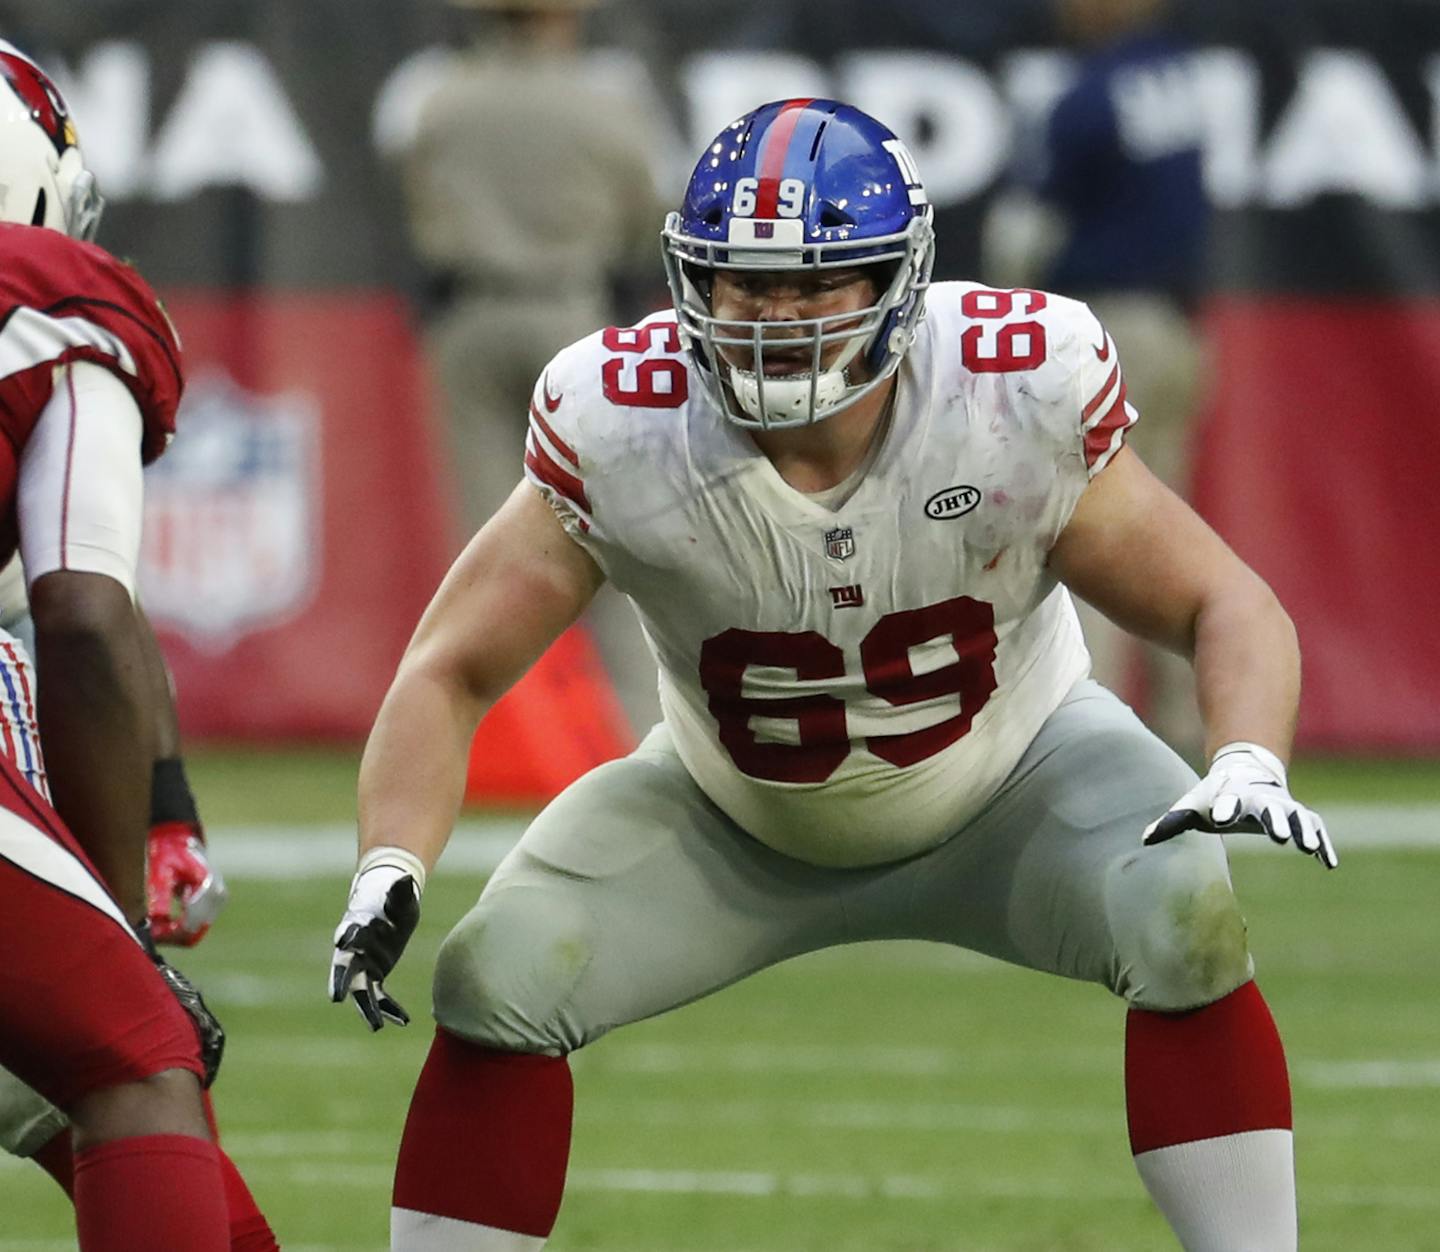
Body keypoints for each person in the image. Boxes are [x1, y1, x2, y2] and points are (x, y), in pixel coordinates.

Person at [331, 98, 1336, 1251]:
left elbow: (1226, 600)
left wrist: (1250, 754)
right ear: (689, 280)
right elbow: (448, 666)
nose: (773, 316)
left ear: (896, 281)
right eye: (743, 283)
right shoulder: (624, 418)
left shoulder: (1008, 390)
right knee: (497, 973)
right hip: (731, 813)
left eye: (815, 283)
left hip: (1016, 777)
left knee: (1184, 907)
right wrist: (390, 862)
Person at [0, 41, 276, 1250]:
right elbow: (85, 609)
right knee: (138, 1058)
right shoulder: (47, 296)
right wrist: (124, 937)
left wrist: (160, 792)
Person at [402, 0, 676, 733]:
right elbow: (644, 220)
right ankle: (643, 735)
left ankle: (501, 741)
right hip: (574, 315)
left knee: (488, 557)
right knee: (613, 545)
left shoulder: (441, 103)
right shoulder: (604, 106)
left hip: (472, 315)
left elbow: (419, 206)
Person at [983, 0, 1212, 758]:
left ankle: (1092, 728)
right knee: (1169, 526)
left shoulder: (1090, 95)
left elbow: (1027, 233)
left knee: (1094, 531)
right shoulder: (1178, 73)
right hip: (1175, 321)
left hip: (1106, 327)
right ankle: (1188, 723)